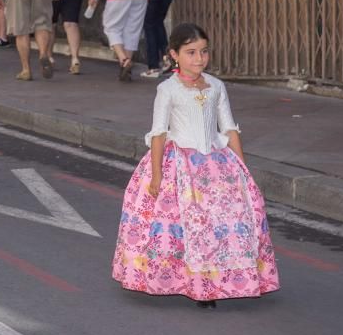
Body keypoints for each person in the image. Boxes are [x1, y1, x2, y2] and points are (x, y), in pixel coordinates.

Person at [112, 23, 279, 307]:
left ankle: (215, 282)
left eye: (203, 51)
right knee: (184, 227)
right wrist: (156, 175)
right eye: (191, 52)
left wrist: (242, 170)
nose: (199, 59)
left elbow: (229, 129)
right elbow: (159, 132)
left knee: (222, 223)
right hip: (179, 164)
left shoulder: (216, 86)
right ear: (174, 54)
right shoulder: (168, 89)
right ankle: (191, 282)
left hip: (217, 163)